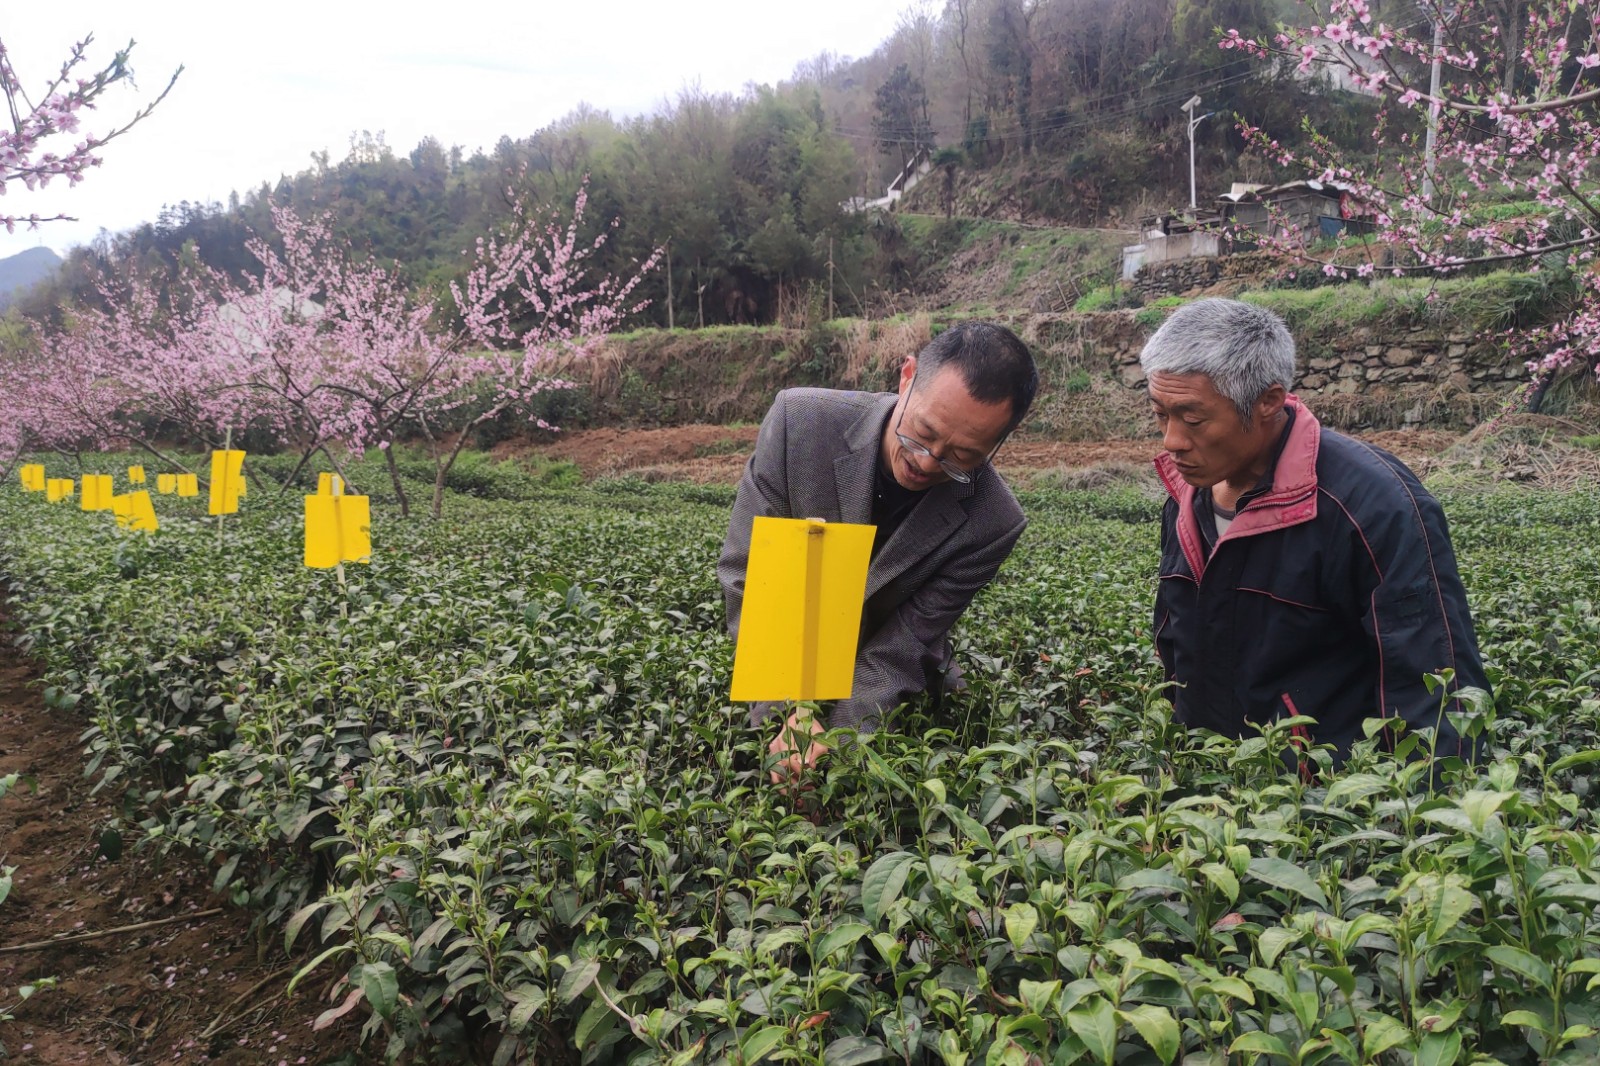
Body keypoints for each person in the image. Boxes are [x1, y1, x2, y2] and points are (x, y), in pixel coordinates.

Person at [1141, 298, 1487, 770]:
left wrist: (1420, 824)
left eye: (1193, 419)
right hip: (1214, 795)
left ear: (1268, 401)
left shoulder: (1373, 506)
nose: (1172, 441)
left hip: (1325, 811)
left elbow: (1437, 689)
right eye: (1161, 414)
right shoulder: (1187, 495)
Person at [719, 322, 1038, 782]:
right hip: (790, 653)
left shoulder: (992, 522)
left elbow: (903, 644)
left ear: (1000, 441)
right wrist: (789, 710)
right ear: (906, 376)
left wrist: (841, 743)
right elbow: (749, 575)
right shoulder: (800, 424)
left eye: (962, 456)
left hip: (880, 675)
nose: (926, 461)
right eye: (922, 431)